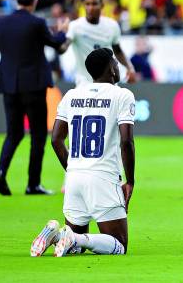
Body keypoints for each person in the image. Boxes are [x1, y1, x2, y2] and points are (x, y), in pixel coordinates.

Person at [30, 48, 136, 257]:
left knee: (75, 248)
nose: (117, 65)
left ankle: (58, 235)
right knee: (119, 244)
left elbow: (56, 139)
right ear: (111, 70)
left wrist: (72, 169)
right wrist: (130, 180)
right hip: (103, 178)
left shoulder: (72, 94)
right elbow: (126, 142)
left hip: (74, 179)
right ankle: (72, 236)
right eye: (115, 62)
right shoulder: (122, 95)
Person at [0, 0, 69, 196]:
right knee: (38, 135)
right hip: (34, 86)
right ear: (35, 0)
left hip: (9, 85)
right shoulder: (37, 23)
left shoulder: (1, 22)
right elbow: (55, 43)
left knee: (14, 133)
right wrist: (63, 32)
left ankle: (0, 172)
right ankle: (33, 184)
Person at [59, 0, 136, 85]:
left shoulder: (112, 26)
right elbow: (62, 49)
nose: (90, 8)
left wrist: (130, 68)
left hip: (108, 82)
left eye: (94, 4)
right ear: (84, 5)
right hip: (84, 82)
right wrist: (61, 34)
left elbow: (118, 51)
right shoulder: (75, 26)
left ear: (102, 6)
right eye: (87, 4)